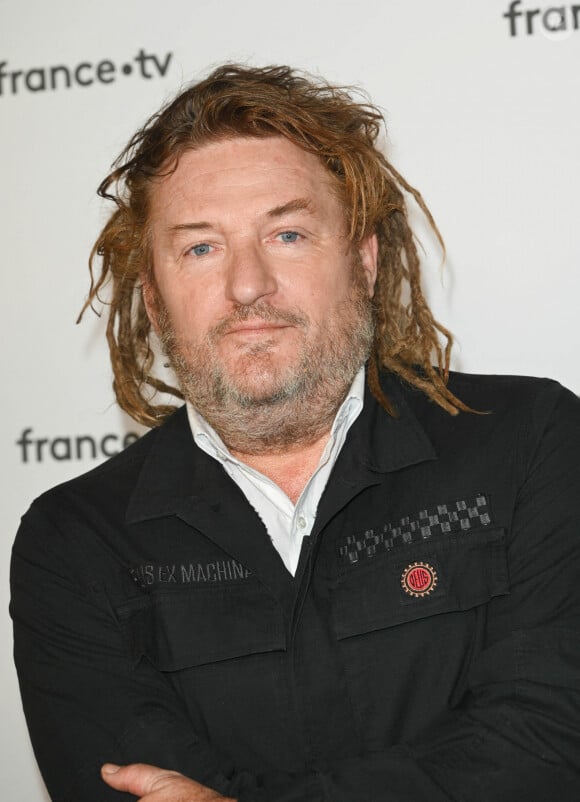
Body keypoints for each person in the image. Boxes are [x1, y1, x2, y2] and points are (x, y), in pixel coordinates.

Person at [10, 64, 580, 802]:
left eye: (287, 233)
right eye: (201, 248)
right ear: (153, 298)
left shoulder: (531, 443)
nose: (248, 286)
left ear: (364, 261)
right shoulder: (75, 540)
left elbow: (548, 745)